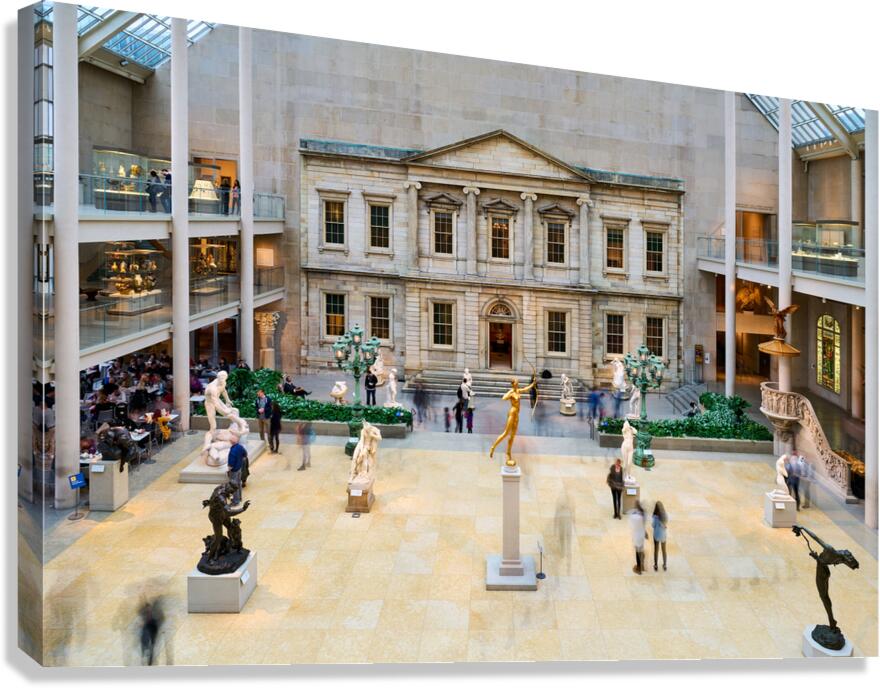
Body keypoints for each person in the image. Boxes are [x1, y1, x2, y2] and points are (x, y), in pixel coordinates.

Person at [226, 433, 247, 505]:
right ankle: (239, 498)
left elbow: (231, 463)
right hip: (239, 468)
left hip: (234, 470)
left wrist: (228, 470)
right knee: (239, 483)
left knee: (234, 486)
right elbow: (245, 454)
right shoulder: (240, 447)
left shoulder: (232, 451)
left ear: (231, 442)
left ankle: (235, 501)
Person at [629, 500, 647, 575]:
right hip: (642, 534)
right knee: (641, 550)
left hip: (637, 535)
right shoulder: (643, 514)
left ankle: (638, 568)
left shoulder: (634, 516)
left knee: (637, 552)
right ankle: (642, 566)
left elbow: (632, 525)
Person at [652, 501, 669, 571]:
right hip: (663, 535)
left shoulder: (655, 517)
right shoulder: (665, 515)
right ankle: (664, 565)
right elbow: (666, 523)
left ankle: (656, 565)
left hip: (656, 535)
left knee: (656, 550)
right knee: (664, 550)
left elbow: (653, 525)